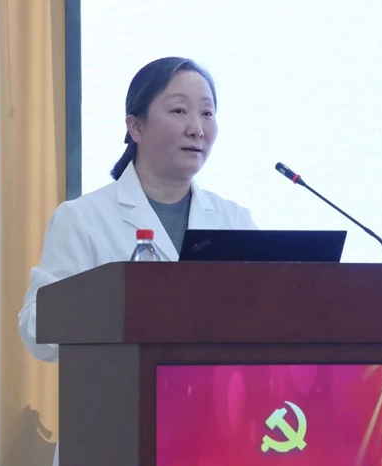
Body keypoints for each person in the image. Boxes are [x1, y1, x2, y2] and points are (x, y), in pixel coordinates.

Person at [17, 57, 256, 465]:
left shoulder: (235, 220)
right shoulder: (83, 218)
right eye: (179, 110)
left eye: (207, 113)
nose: (197, 128)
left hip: (212, 436)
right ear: (136, 127)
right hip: (113, 436)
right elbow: (35, 327)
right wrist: (122, 306)